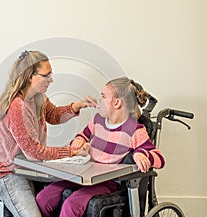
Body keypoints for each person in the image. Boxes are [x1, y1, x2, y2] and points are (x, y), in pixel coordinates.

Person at [0, 50, 96, 217]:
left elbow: (53, 115)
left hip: (28, 168)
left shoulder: (38, 97)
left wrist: (77, 105)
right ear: (30, 76)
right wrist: (72, 151)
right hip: (6, 173)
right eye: (47, 75)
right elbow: (35, 152)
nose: (51, 80)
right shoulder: (16, 107)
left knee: (57, 200)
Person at [36, 76, 165, 217]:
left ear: (116, 103)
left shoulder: (134, 130)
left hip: (107, 183)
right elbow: (82, 136)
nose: (99, 100)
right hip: (84, 175)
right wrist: (79, 142)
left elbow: (159, 158)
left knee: (72, 205)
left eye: (103, 96)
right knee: (44, 198)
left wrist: (141, 154)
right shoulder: (97, 121)